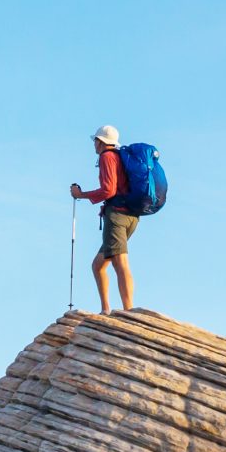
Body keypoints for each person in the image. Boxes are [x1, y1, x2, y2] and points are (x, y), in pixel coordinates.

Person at [70, 125, 137, 314]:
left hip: (117, 216)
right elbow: (118, 189)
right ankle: (105, 309)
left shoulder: (107, 157)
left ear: (101, 142)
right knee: (98, 265)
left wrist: (80, 195)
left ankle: (129, 311)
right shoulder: (120, 157)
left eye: (95, 141)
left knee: (120, 262)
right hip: (130, 215)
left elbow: (109, 189)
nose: (94, 144)